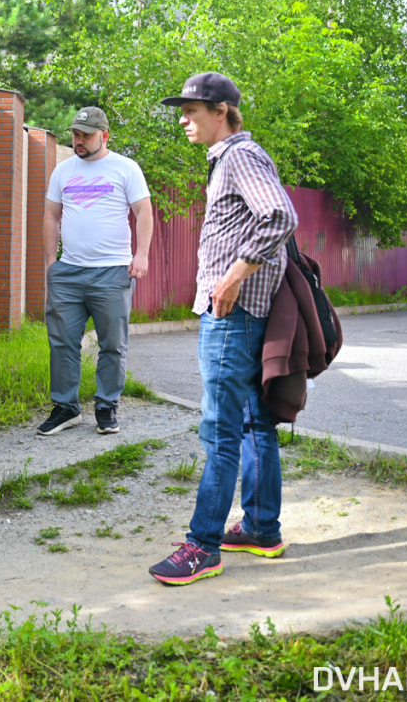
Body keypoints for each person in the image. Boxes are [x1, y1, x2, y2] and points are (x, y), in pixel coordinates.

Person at [148, 72, 298, 585]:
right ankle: (259, 527)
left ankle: (202, 545)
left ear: (221, 111)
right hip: (242, 312)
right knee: (255, 419)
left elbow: (279, 216)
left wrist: (234, 275)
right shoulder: (231, 159)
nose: (183, 120)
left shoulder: (238, 156)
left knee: (220, 429)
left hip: (231, 315)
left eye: (191, 110)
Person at [38, 106, 153, 437]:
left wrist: (141, 255)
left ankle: (106, 405)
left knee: (112, 344)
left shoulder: (125, 168)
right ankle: (66, 408)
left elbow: (144, 212)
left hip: (112, 272)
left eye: (86, 136)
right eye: (75, 134)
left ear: (104, 136)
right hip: (68, 272)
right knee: (62, 342)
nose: (79, 141)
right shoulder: (63, 171)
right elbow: (51, 216)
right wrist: (50, 262)